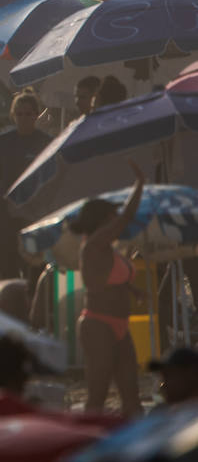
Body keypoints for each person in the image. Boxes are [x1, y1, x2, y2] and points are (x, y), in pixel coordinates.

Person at [77, 161, 145, 415]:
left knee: (131, 393)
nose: (118, 220)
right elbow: (127, 216)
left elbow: (112, 280)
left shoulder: (109, 249)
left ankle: (139, 449)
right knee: (98, 393)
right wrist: (139, 184)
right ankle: (86, 446)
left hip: (119, 325)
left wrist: (134, 291)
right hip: (97, 324)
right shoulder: (93, 244)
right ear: (104, 220)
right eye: (112, 216)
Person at [0, 91, 52, 280]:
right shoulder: (4, 142)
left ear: (36, 115)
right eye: (19, 114)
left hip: (34, 213)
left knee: (34, 266)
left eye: (29, 114)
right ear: (13, 116)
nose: (24, 118)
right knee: (7, 264)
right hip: (5, 212)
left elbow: (54, 180)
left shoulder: (46, 143)